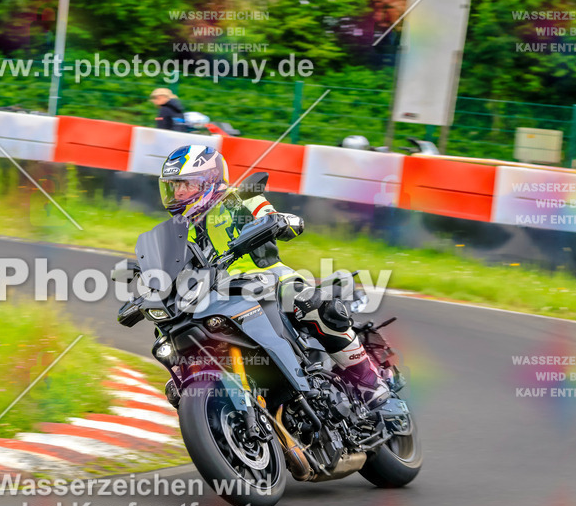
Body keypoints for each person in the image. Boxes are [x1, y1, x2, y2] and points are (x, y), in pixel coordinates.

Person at [158, 144, 401, 418]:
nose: (177, 193)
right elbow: (168, 274)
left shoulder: (238, 202)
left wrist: (278, 221)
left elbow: (271, 215)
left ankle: (371, 385)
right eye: (172, 186)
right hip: (220, 300)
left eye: (184, 184)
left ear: (209, 180)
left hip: (270, 282)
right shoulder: (179, 234)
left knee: (313, 305)